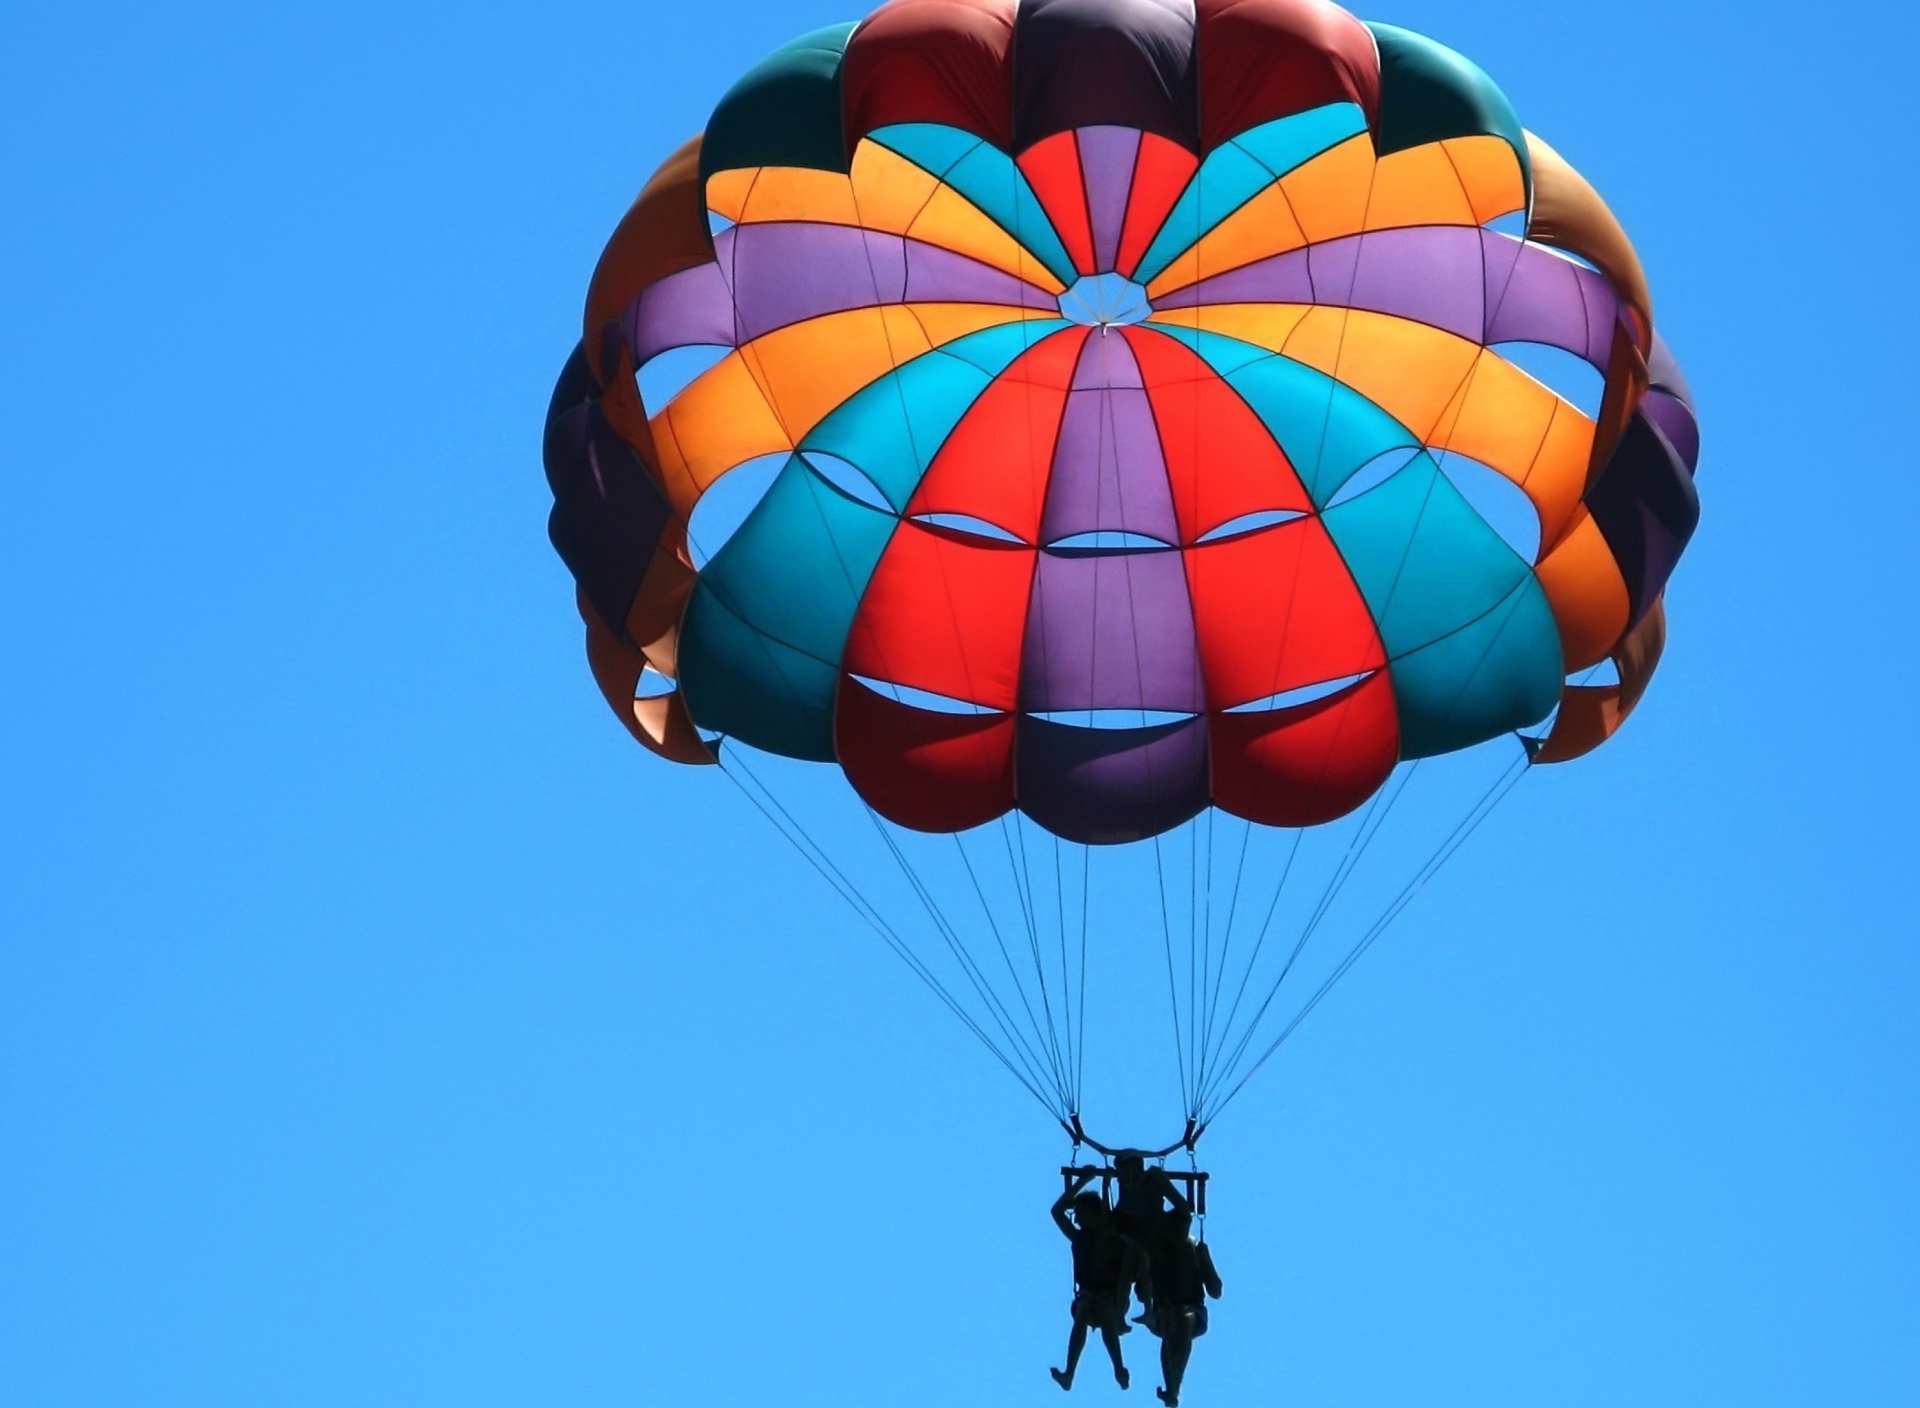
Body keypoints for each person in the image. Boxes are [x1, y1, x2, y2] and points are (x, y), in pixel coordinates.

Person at [1049, 1172, 1143, 1391]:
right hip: (1088, 1293)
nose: (1077, 1220)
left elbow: (1108, 1217)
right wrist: (1082, 1182)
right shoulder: (1080, 1238)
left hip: (1112, 1296)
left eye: (1081, 1214)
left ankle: (1119, 1368)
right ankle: (1069, 1373)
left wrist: (1105, 1183)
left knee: (1104, 1313)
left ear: (1092, 1214)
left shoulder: (1112, 1236)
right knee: (1083, 1314)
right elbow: (1056, 1212)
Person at [1140, 1209, 1221, 1407]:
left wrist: (1205, 1258)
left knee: (1184, 1320)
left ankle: (1174, 1388)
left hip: (1193, 1309)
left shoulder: (1194, 1250)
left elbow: (1216, 1291)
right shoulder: (1154, 1252)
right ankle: (1172, 1388)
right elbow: (1142, 1289)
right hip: (1164, 1310)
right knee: (1171, 1325)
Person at [1110, 1151, 1188, 1320]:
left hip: (1153, 1242)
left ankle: (1146, 1311)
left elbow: (1184, 1211)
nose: (1120, 1175)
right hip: (1133, 1243)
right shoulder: (1124, 1187)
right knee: (1133, 1258)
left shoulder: (1154, 1180)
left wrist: (1164, 1184)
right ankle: (1123, 1313)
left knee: (1140, 1258)